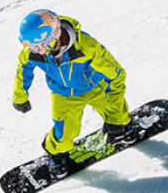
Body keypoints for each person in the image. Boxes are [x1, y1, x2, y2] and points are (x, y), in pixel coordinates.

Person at [12, 9, 138, 178]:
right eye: (29, 47)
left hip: (95, 86)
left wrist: (115, 120)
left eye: (35, 46)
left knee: (116, 112)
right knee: (64, 132)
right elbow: (23, 68)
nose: (32, 50)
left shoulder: (86, 47)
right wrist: (20, 96)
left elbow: (116, 75)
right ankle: (56, 155)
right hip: (63, 94)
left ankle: (123, 126)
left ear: (51, 39)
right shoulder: (34, 53)